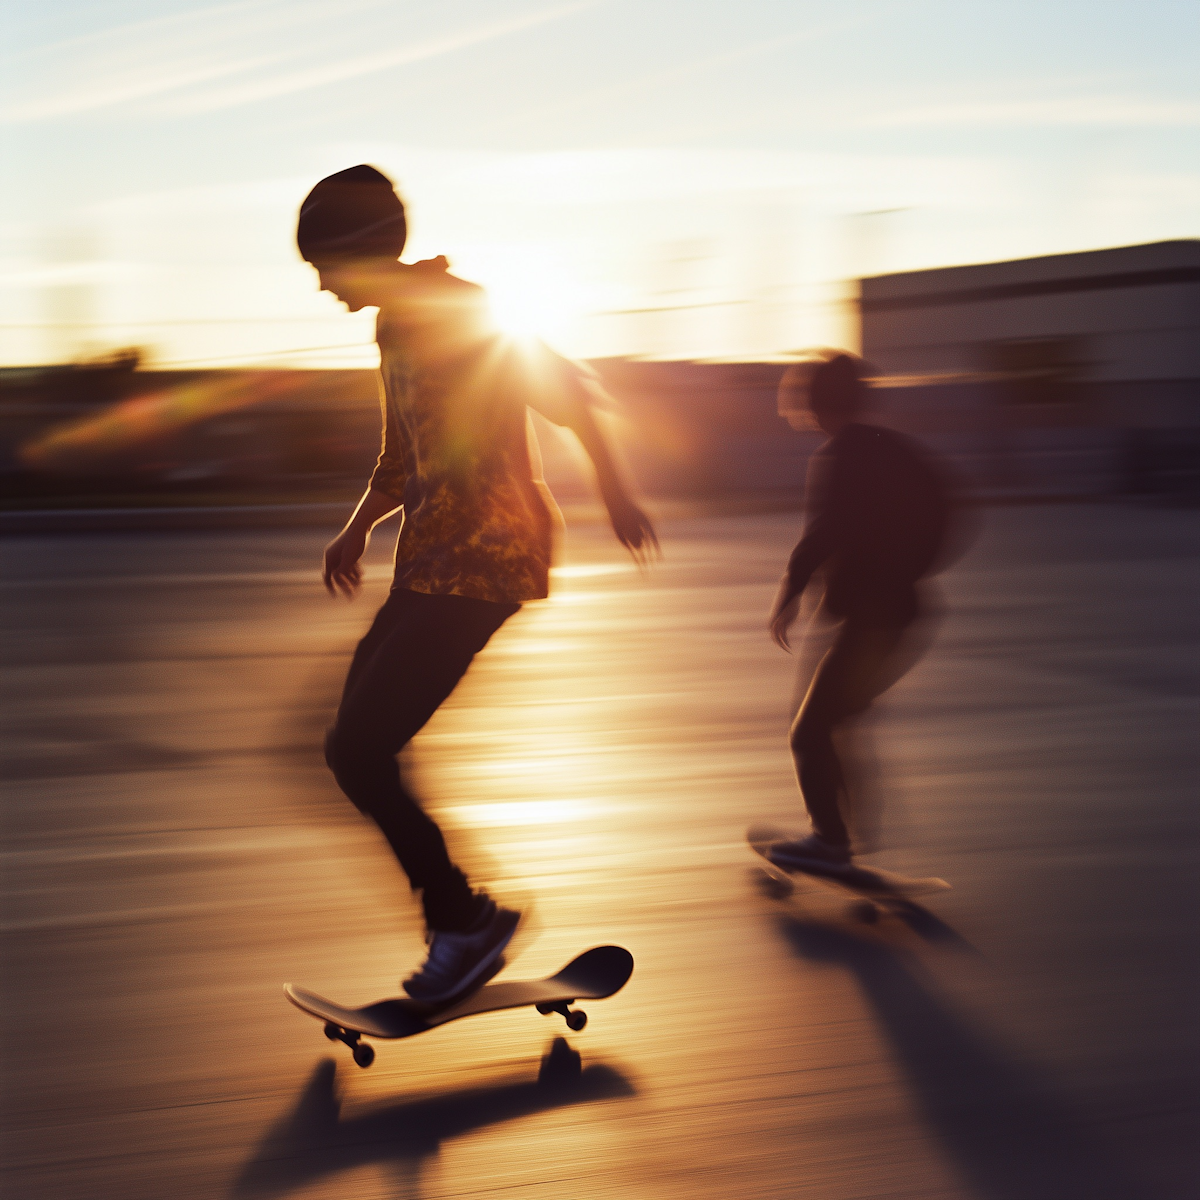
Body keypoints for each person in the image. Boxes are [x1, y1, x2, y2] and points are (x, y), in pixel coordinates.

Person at [296, 165, 657, 1003]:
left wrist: (615, 487)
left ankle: (462, 923)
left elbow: (565, 390)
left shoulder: (456, 310)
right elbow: (405, 456)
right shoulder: (393, 329)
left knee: (360, 748)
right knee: (348, 749)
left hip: (486, 561)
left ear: (358, 253)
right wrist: (356, 528)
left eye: (322, 266)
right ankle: (466, 916)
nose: (320, 285)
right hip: (430, 562)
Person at [764, 351, 955, 872]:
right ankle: (847, 832)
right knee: (836, 720)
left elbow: (823, 531)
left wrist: (791, 591)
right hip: (902, 612)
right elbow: (948, 506)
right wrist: (909, 568)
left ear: (816, 403)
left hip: (874, 619)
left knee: (809, 730)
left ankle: (831, 839)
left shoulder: (841, 456)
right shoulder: (895, 450)